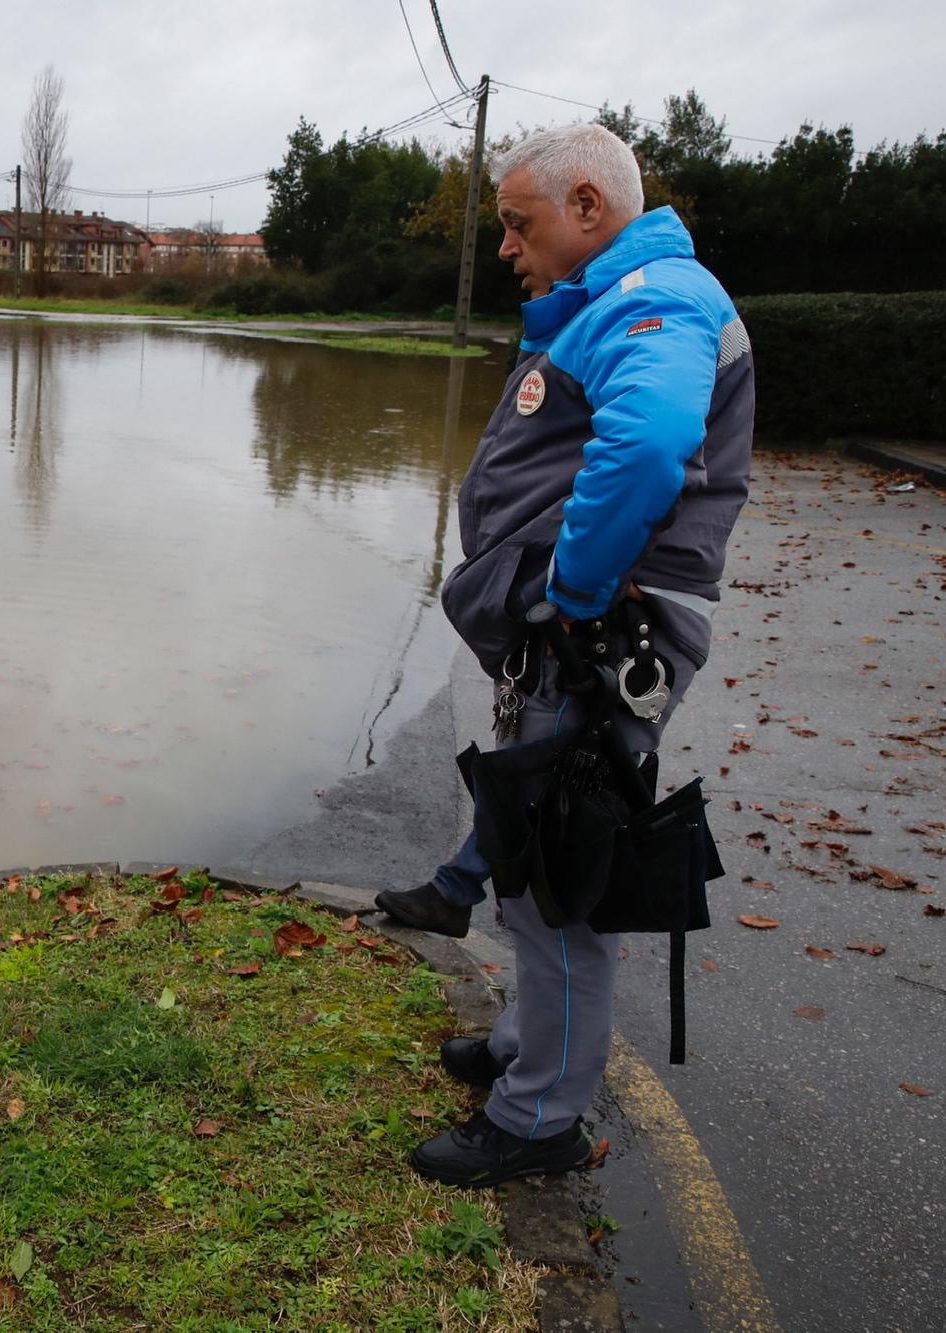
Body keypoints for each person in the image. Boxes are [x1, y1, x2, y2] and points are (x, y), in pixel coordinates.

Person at [407, 123, 753, 1187]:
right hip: (588, 636)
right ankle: (525, 1044)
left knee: (553, 878)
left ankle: (537, 1115)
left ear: (588, 207)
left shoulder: (656, 297)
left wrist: (572, 592)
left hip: (604, 635)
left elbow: (647, 442)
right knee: (531, 843)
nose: (508, 247)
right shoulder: (625, 296)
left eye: (518, 224)